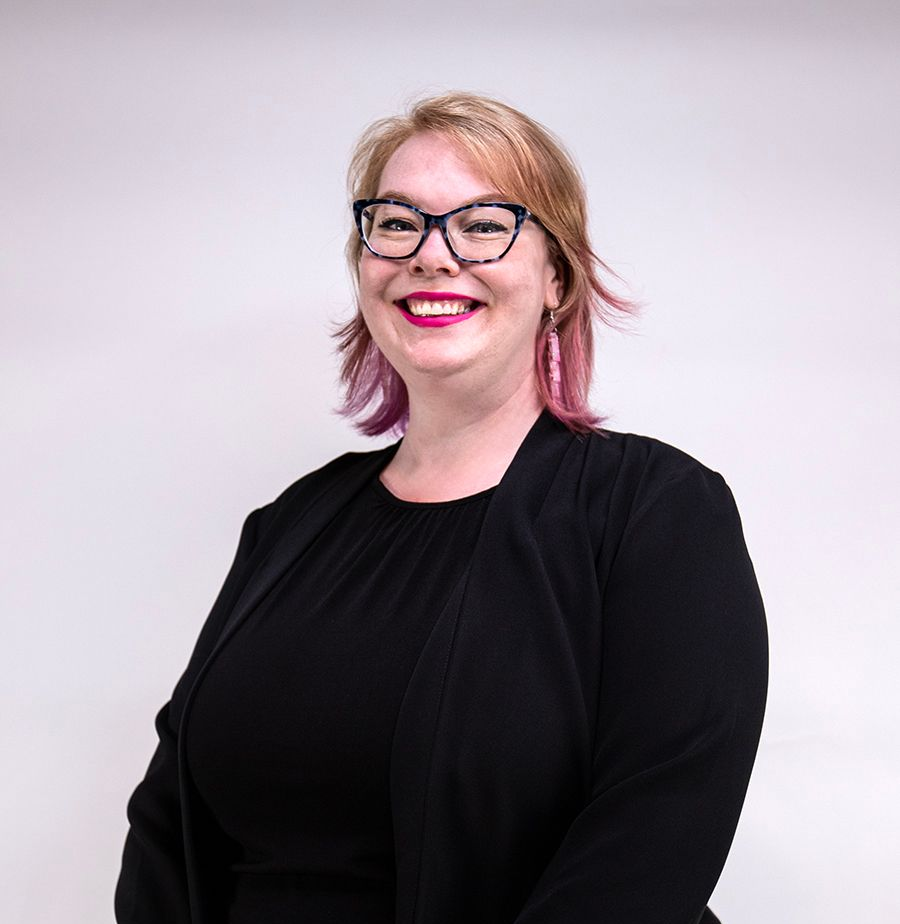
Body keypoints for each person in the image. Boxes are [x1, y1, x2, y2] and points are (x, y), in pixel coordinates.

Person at [115, 92, 768, 924]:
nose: (432, 255)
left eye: (484, 224)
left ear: (557, 278)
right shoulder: (290, 525)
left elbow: (653, 840)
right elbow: (168, 822)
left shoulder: (656, 512)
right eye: (396, 223)